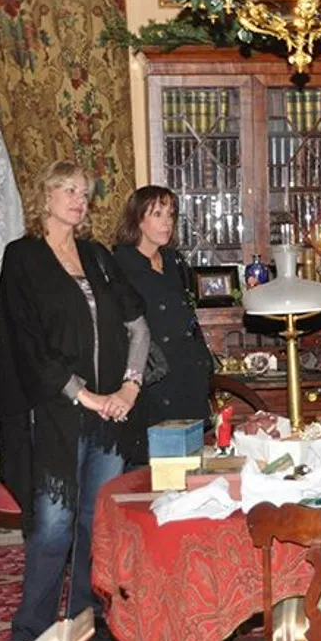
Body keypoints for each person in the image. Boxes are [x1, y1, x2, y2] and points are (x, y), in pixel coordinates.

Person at [0, 160, 150, 641]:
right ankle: (27, 633)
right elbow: (28, 345)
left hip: (111, 412)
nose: (80, 199)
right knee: (54, 525)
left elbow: (137, 323)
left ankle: (86, 614)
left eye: (85, 192)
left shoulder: (98, 256)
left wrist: (129, 385)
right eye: (68, 190)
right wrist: (87, 396)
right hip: (56, 411)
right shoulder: (24, 257)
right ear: (45, 196)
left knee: (93, 520)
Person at [111, 186, 213, 465]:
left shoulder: (173, 260)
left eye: (170, 214)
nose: (167, 222)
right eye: (157, 214)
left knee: (191, 468)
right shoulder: (120, 264)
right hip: (153, 377)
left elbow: (188, 317)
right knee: (152, 468)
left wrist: (205, 361)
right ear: (137, 220)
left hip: (188, 374)